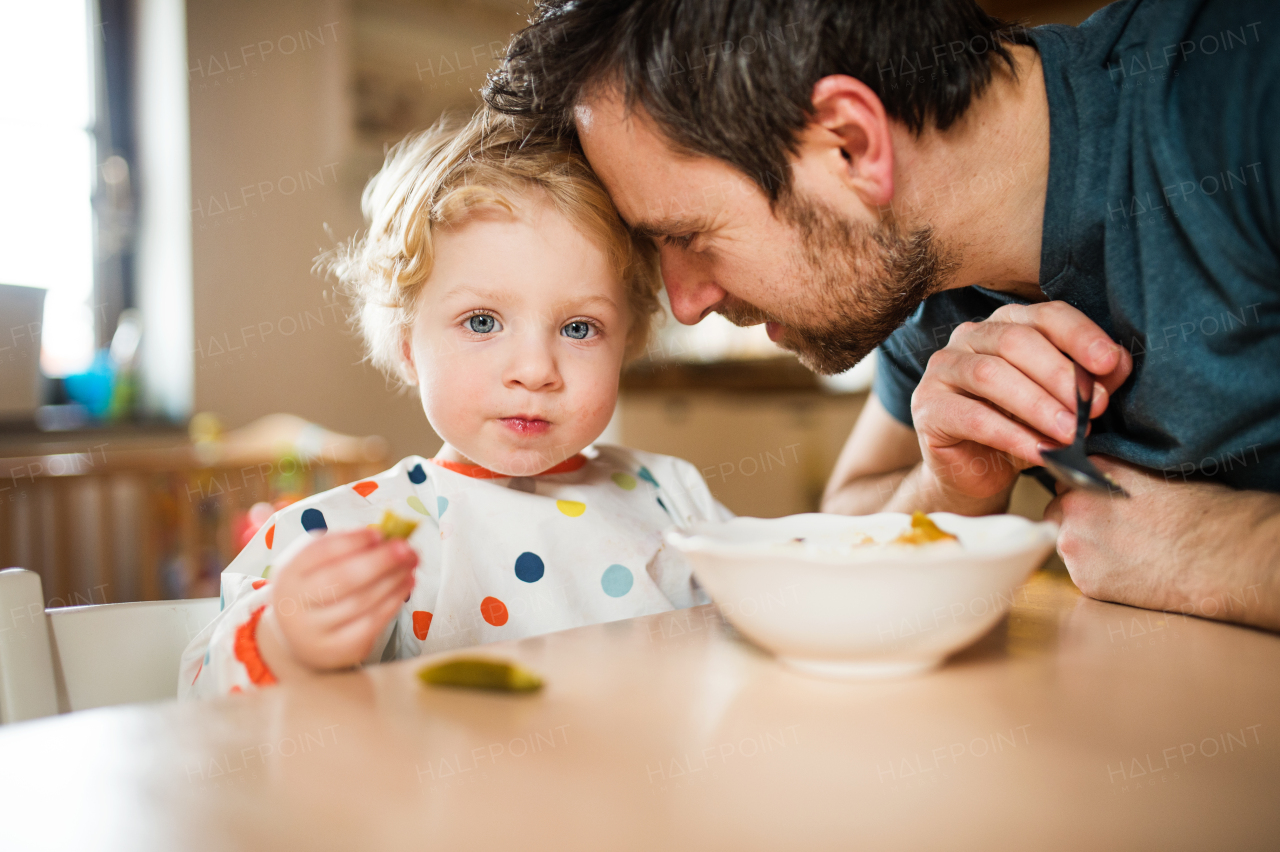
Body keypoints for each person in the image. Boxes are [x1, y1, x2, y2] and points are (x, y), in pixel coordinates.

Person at [483, 0, 1280, 631]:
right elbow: (853, 511)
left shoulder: (1241, 90)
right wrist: (947, 483)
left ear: (854, 143)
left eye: (687, 235)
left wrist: (1214, 552)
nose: (685, 303)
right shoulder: (920, 275)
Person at [178, 111, 729, 698]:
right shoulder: (350, 533)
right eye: (483, 321)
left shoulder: (673, 494)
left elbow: (760, 626)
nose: (535, 370)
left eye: (579, 328)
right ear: (408, 345)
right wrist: (285, 644)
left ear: (629, 341)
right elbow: (204, 696)